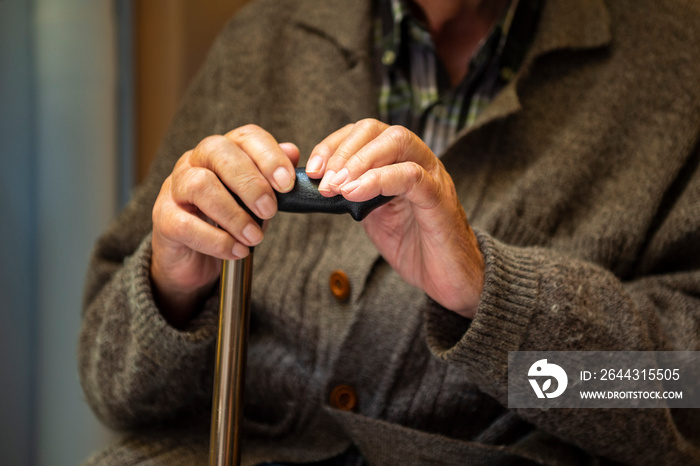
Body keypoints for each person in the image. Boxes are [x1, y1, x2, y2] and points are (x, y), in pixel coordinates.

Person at [79, 0, 700, 464]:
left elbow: (683, 391)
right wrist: (172, 289)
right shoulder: (262, 37)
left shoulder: (678, 65)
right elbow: (111, 386)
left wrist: (493, 296)